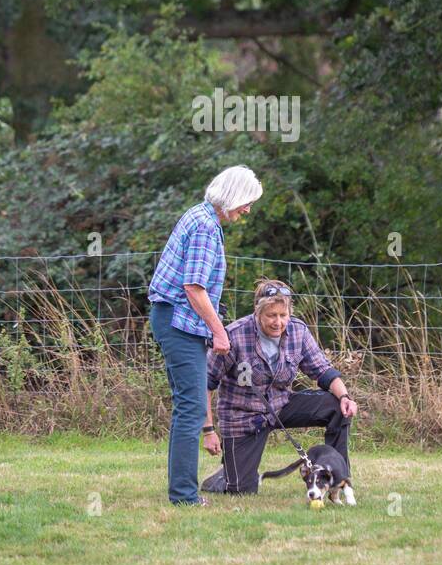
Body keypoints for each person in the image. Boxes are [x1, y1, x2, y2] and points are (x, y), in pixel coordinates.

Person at [148, 166, 262, 505]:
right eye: (247, 202)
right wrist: (219, 332)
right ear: (234, 197)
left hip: (179, 320)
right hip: (179, 323)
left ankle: (182, 489)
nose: (248, 210)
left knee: (188, 407)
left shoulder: (201, 217)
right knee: (192, 408)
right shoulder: (205, 228)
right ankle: (183, 495)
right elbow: (194, 288)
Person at [201, 278, 358, 495]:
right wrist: (208, 430)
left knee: (336, 406)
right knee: (241, 491)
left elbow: (323, 370)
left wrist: (345, 397)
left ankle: (338, 481)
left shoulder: (298, 331)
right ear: (257, 313)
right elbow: (205, 385)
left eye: (283, 315)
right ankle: (225, 475)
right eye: (271, 315)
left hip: (281, 405)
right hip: (243, 417)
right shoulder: (233, 335)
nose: (278, 322)